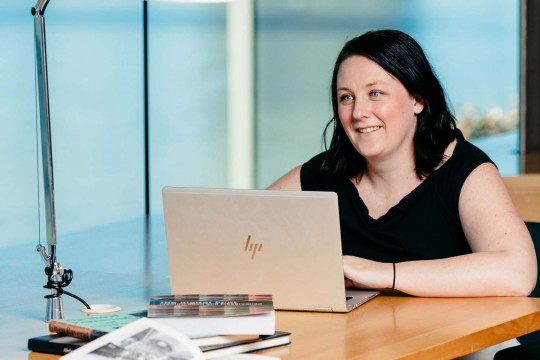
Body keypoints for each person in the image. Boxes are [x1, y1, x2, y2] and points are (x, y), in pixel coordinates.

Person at [268, 29, 537, 297]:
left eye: (375, 93)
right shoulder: (323, 173)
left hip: (463, 338)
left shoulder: (466, 170)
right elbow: (237, 228)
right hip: (364, 338)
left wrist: (385, 274)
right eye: (346, 97)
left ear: (418, 100)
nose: (358, 112)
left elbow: (518, 273)